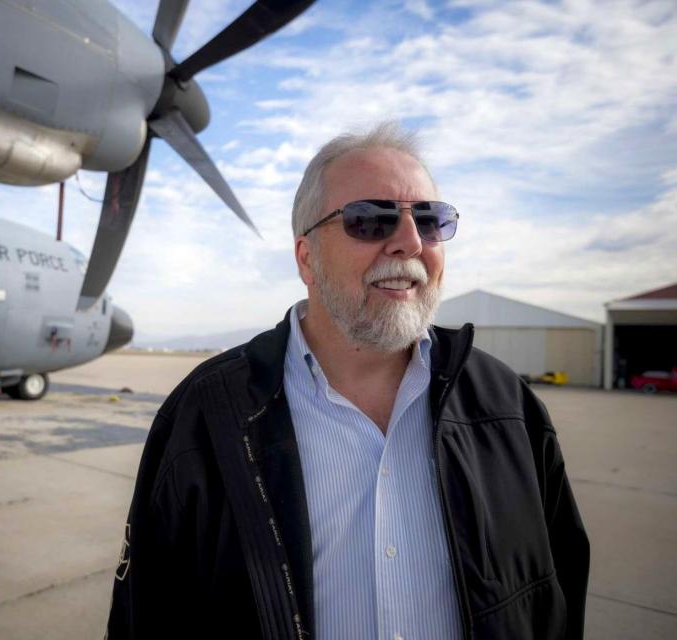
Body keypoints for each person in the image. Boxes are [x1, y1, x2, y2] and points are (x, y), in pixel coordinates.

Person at [106, 123, 589, 640]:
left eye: (430, 220)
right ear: (306, 258)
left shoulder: (507, 405)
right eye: (370, 220)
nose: (409, 242)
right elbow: (148, 615)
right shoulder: (207, 415)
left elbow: (557, 593)